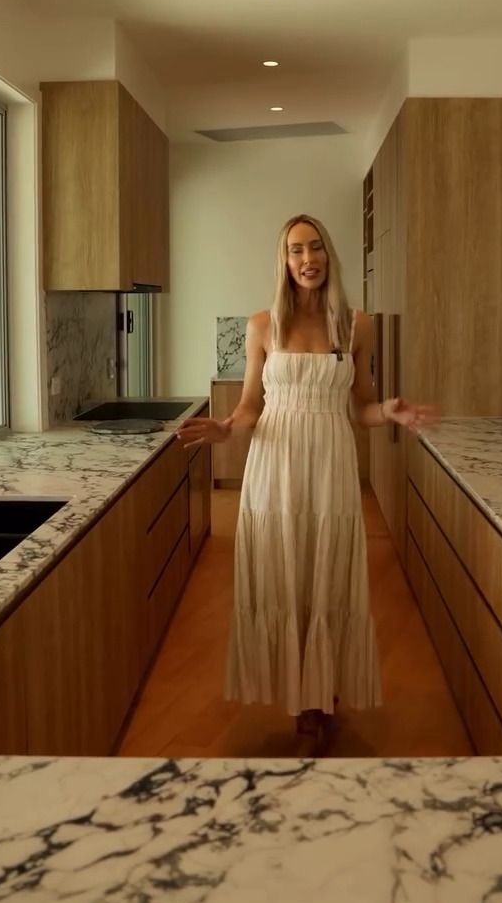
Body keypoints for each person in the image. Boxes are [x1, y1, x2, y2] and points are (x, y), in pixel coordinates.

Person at [177, 214, 438, 747]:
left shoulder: (356, 326)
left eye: (315, 248)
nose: (307, 259)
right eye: (296, 250)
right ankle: (299, 695)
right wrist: (225, 429)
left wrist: (388, 411)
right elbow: (250, 407)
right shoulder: (262, 326)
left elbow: (361, 407)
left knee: (327, 570)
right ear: (284, 260)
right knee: (282, 570)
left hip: (331, 462)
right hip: (275, 464)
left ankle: (321, 690)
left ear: (328, 255)